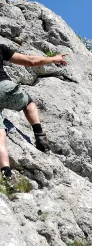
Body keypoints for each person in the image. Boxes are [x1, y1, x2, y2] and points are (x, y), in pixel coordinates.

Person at [0, 44, 68, 178]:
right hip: (3, 86)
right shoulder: (1, 48)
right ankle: (39, 135)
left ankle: (5, 171)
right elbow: (31, 61)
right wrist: (54, 59)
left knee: (0, 135)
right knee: (29, 103)